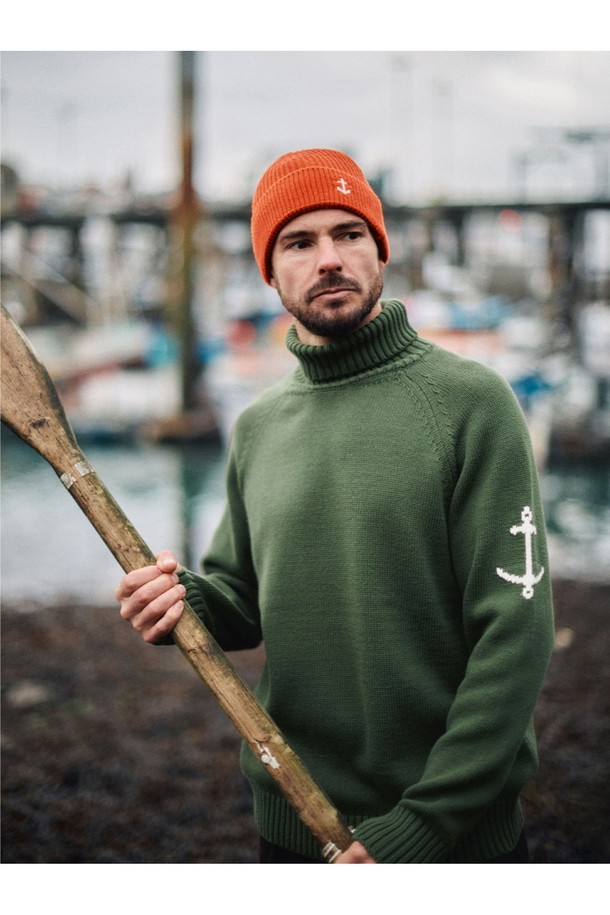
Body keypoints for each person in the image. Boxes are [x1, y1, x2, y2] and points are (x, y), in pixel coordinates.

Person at [116, 148, 555, 864]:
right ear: (269, 270)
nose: (328, 259)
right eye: (298, 242)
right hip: (294, 822)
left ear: (380, 249)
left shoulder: (473, 405)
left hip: (452, 840)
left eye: (348, 234)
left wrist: (425, 823)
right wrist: (179, 601)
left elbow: (515, 633)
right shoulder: (258, 426)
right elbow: (240, 602)